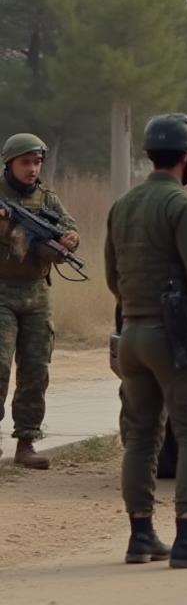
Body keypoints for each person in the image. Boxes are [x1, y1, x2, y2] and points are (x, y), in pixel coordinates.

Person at [105, 114, 187, 568]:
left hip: (132, 335)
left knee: (141, 436)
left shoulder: (123, 205)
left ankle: (141, 535)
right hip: (174, 336)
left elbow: (111, 275)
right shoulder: (185, 207)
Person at [0, 133, 78, 470]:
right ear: (10, 164)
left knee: (35, 369)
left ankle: (26, 442)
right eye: (25, 162)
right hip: (1, 292)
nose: (32, 169)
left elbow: (69, 228)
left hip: (36, 293)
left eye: (37, 162)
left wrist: (69, 238)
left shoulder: (47, 199)